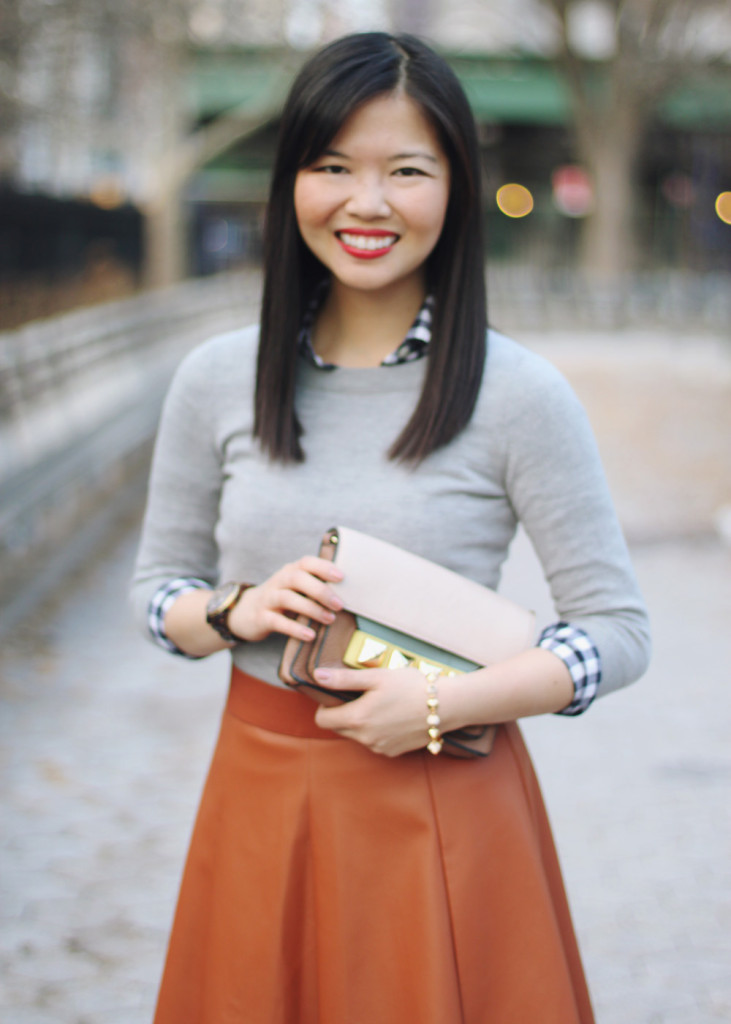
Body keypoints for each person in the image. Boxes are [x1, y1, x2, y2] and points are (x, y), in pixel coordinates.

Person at [130, 31, 650, 1024]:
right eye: (332, 167)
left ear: (451, 189)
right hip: (257, 792)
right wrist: (234, 610)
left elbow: (616, 633)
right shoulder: (215, 378)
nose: (365, 203)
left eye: (404, 170)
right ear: (291, 183)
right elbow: (155, 593)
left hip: (444, 804)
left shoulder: (519, 395)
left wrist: (443, 704)